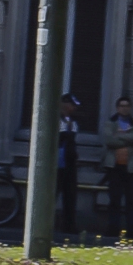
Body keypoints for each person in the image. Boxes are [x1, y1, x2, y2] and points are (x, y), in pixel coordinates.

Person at [102, 96, 133, 240]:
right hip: (114, 168)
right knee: (114, 200)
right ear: (117, 108)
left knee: (131, 201)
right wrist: (128, 139)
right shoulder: (111, 122)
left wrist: (120, 136)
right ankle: (112, 229)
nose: (124, 108)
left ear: (130, 108)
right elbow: (109, 140)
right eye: (121, 106)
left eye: (127, 106)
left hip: (131, 168)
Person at [55, 94, 81, 236]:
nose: (74, 108)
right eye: (72, 105)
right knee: (53, 194)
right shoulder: (55, 119)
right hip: (57, 163)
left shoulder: (73, 122)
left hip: (69, 162)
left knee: (70, 195)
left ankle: (69, 225)